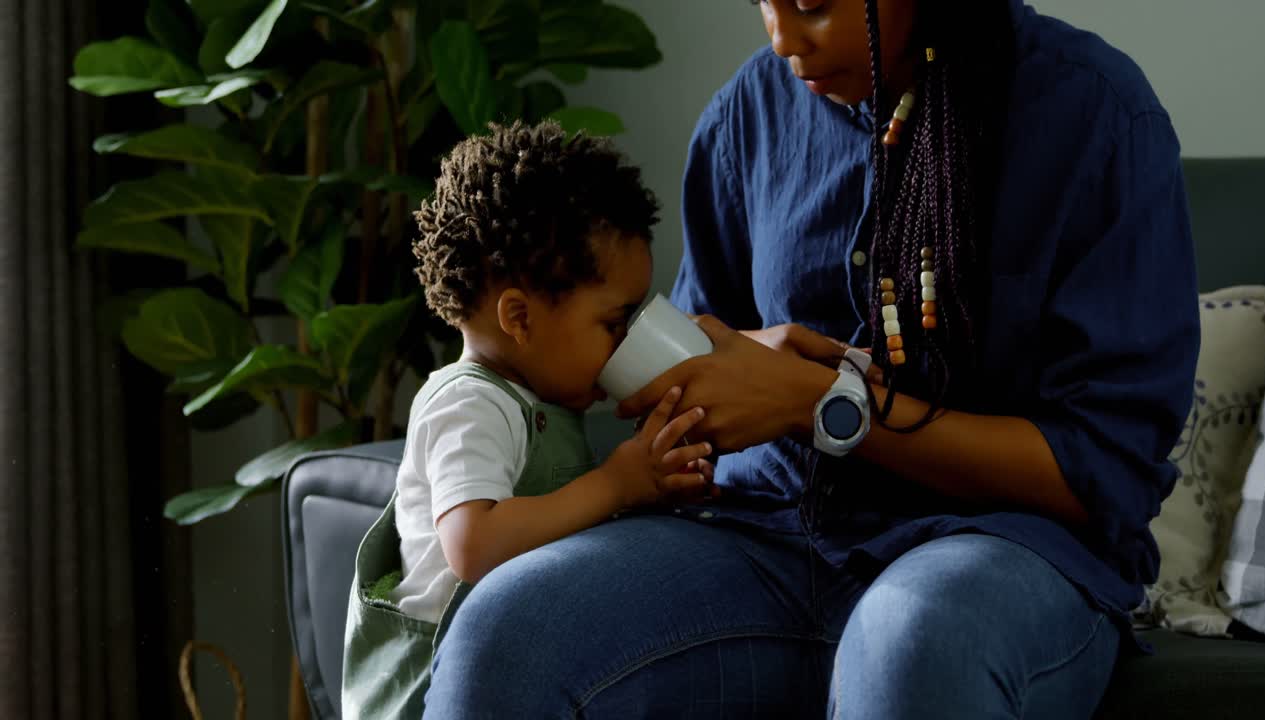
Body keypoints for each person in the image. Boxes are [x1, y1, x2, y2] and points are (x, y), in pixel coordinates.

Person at [423, 0, 1199, 717]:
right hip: (754, 534)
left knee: (913, 644)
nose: (783, 39)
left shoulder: (1091, 115)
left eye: (814, 5)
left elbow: (1106, 474)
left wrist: (819, 403)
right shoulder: (748, 115)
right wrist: (730, 365)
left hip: (999, 547)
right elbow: (692, 386)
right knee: (505, 635)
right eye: (765, 2)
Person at [341, 121, 717, 718]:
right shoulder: (468, 405)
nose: (625, 342)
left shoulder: (537, 400)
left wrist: (653, 485)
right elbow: (475, 544)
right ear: (519, 318)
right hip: (436, 691)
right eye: (613, 323)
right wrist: (616, 484)